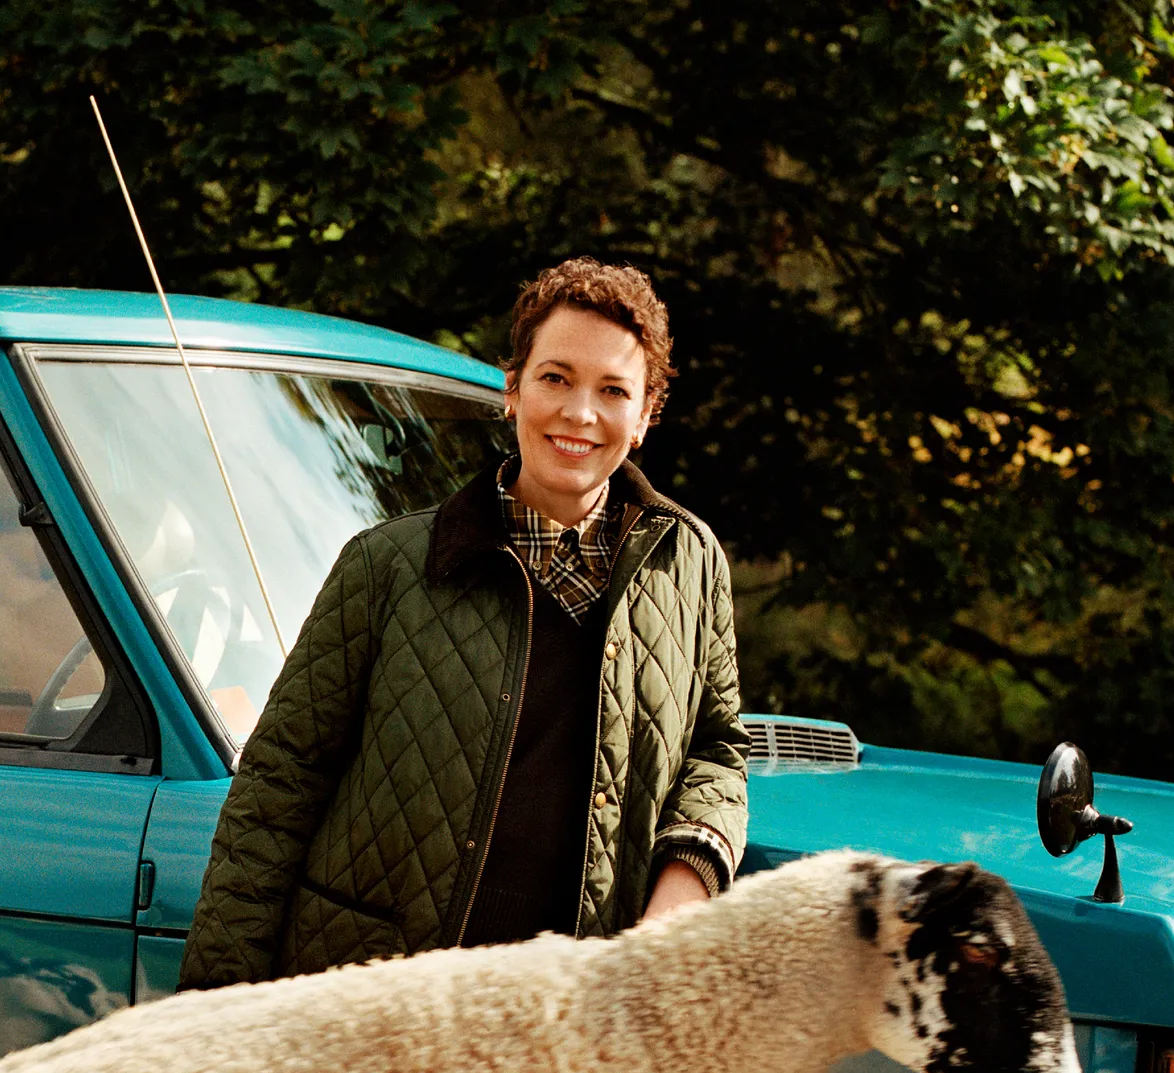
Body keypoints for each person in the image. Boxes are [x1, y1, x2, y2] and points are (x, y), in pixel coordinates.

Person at [176, 256, 750, 994]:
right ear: (513, 389)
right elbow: (275, 790)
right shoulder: (385, 566)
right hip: (374, 996)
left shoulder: (689, 561)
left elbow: (717, 749)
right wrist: (217, 1007)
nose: (580, 412)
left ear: (644, 417)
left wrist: (686, 886)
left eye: (613, 390)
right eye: (555, 378)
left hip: (575, 1009)